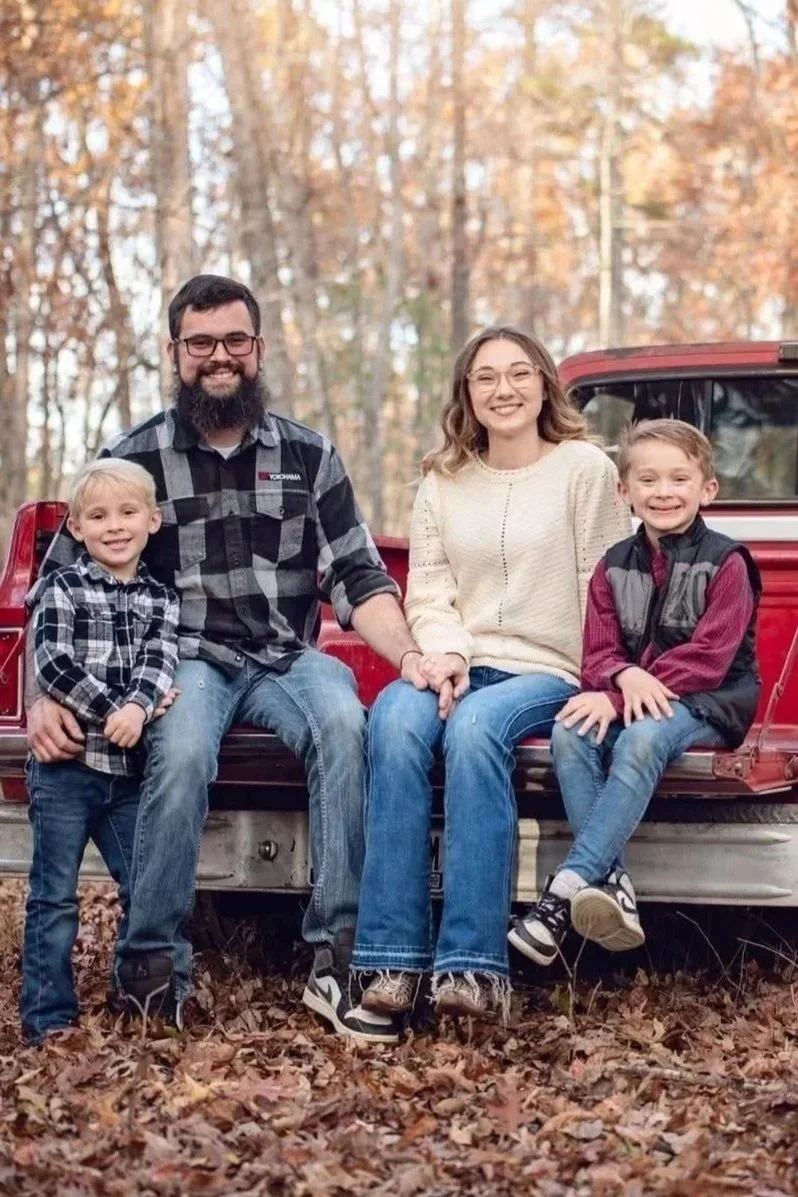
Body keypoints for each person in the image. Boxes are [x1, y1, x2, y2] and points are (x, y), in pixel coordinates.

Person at [25, 274, 428, 1044]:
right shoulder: (132, 456)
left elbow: (358, 573)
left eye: (234, 341)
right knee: (174, 754)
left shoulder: (310, 455)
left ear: (259, 349)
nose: (220, 357)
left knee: (347, 721)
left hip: (285, 654)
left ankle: (338, 958)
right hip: (184, 659)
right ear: (175, 353)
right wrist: (44, 696)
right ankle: (150, 969)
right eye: (201, 342)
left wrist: (406, 654)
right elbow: (58, 586)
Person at [351, 326, 631, 1021]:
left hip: (551, 668)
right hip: (461, 660)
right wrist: (442, 652)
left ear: (543, 384)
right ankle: (390, 960)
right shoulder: (442, 480)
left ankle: (472, 968)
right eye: (485, 378)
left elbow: (606, 583)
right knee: (392, 717)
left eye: (517, 374)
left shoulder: (584, 469)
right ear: (466, 395)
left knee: (476, 730)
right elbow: (430, 587)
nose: (502, 389)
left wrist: (601, 675)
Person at [509, 419, 761, 964]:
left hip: (710, 702)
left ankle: (563, 892)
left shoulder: (728, 562)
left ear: (707, 489)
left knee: (640, 740)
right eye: (648, 480)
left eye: (679, 479)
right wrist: (621, 680)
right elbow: (597, 654)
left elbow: (710, 659)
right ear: (624, 491)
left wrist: (622, 697)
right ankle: (613, 882)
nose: (663, 492)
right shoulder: (612, 565)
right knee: (570, 732)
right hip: (637, 696)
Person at [20, 459, 180, 1044]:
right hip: (65, 770)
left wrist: (137, 709)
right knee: (54, 896)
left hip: (125, 774)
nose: (114, 526)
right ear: (77, 527)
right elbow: (54, 664)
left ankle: (140, 997)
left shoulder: (162, 599)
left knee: (147, 883)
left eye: (127, 513)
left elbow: (160, 663)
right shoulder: (62, 588)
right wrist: (115, 708)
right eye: (97, 516)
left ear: (153, 520)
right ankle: (47, 1017)